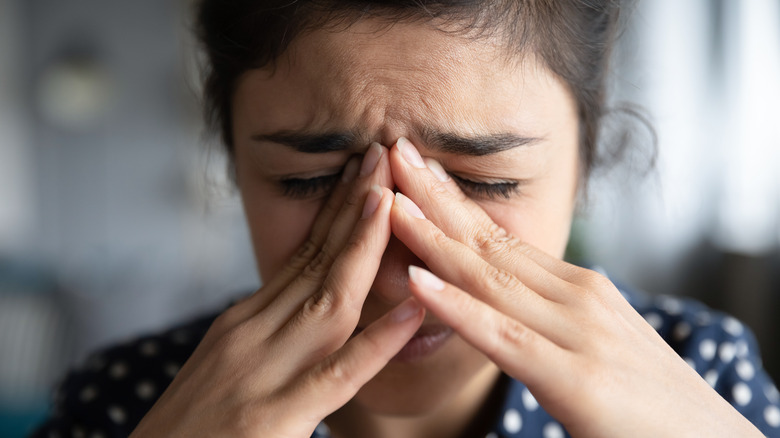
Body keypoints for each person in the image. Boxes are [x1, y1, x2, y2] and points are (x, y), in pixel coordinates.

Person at [32, 1, 780, 437]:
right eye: (311, 181)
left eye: (486, 182)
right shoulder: (129, 402)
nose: (397, 276)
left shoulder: (702, 377)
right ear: (232, 161)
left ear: (583, 162)